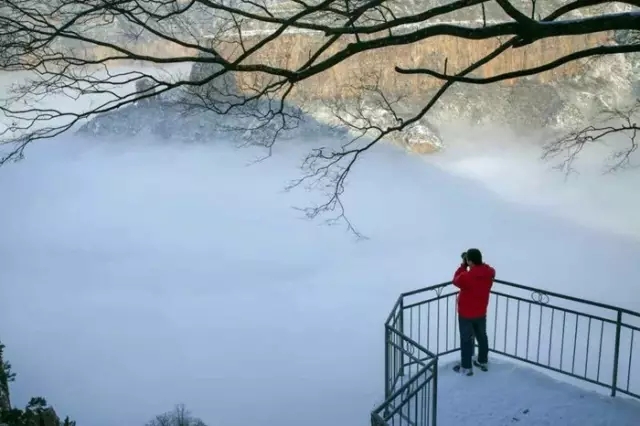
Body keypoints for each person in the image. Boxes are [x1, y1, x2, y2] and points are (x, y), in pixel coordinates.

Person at [452, 248, 495, 376]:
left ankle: (466, 367)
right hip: (481, 311)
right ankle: (482, 361)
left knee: (466, 339)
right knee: (482, 336)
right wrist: (478, 264)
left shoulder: (467, 276)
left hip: (466, 313)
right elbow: (491, 270)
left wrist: (463, 266)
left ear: (470, 261)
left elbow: (455, 280)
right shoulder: (489, 273)